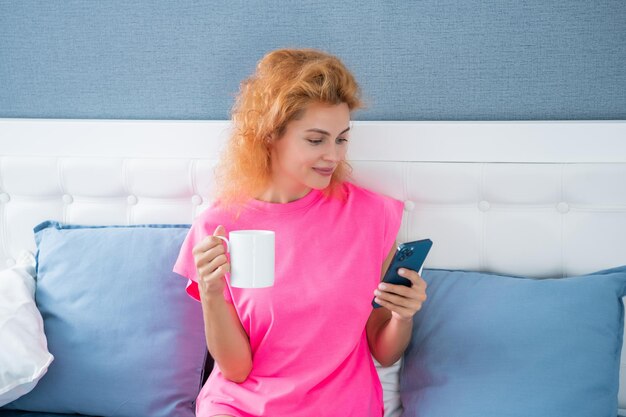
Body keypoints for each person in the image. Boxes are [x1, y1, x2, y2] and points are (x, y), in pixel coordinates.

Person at [173, 48, 428, 417]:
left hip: (340, 406)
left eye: (341, 138)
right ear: (269, 135)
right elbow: (236, 370)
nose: (334, 155)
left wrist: (403, 316)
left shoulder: (370, 216)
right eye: (316, 140)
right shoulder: (218, 226)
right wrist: (211, 294)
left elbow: (383, 349)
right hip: (240, 406)